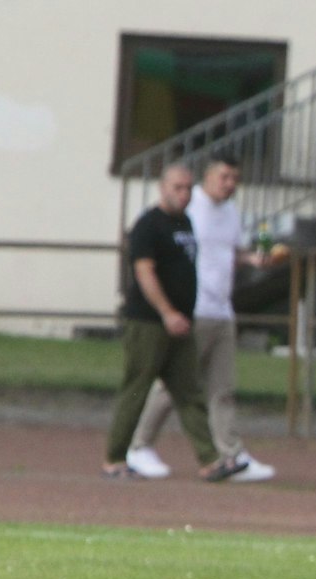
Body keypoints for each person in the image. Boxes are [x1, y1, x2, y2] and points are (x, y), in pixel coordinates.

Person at [125, 153, 278, 483]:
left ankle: (231, 454)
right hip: (195, 310)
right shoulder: (190, 212)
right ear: (206, 179)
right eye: (224, 177)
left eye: (234, 179)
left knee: (223, 388)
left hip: (222, 310)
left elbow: (229, 254)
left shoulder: (231, 213)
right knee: (174, 385)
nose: (230, 185)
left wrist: (253, 259)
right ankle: (138, 445)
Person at [104, 164, 247, 482]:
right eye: (177, 188)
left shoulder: (185, 222)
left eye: (187, 188)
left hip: (182, 322)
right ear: (163, 187)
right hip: (150, 322)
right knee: (137, 389)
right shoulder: (148, 225)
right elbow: (144, 273)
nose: (183, 194)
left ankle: (211, 460)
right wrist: (166, 312)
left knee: (189, 392)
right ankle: (115, 458)